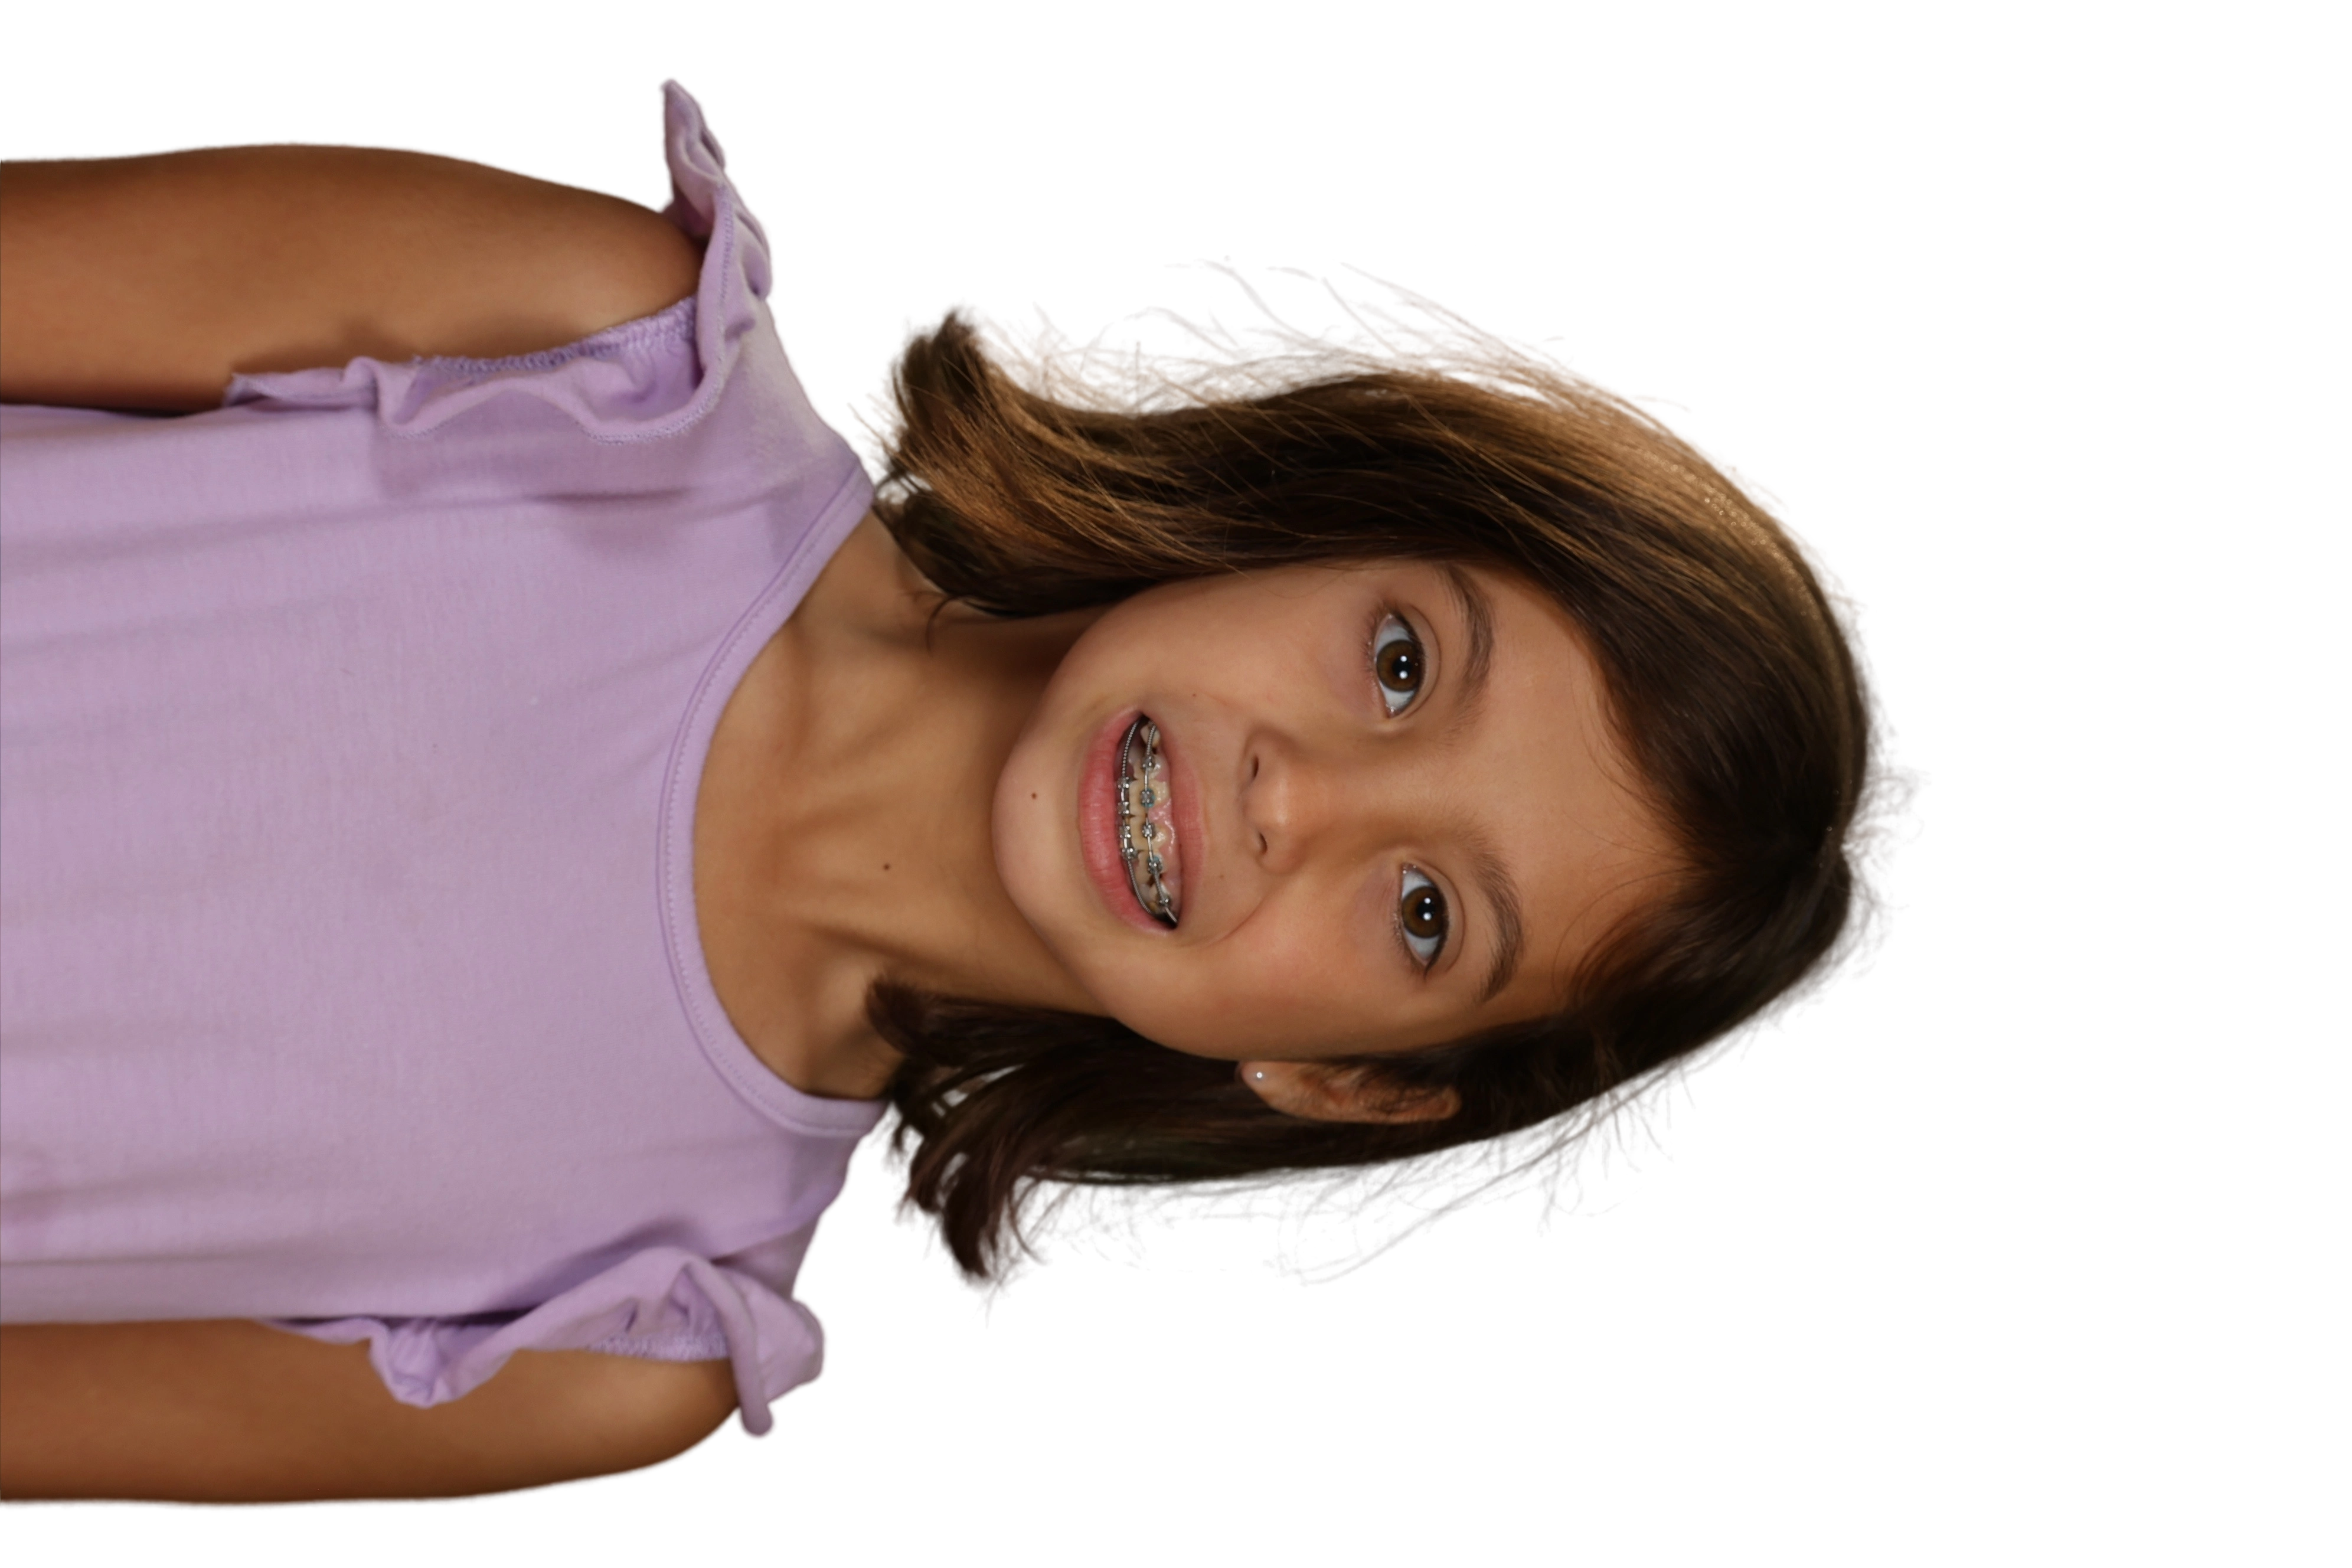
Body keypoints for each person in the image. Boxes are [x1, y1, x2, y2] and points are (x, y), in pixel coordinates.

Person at [0, 76, 1929, 1508]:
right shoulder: (586, 353)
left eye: (1425, 913)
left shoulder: (618, 1330)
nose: (1299, 799)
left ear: (1345, 1077)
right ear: (1329, 522)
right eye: (1403, 664)